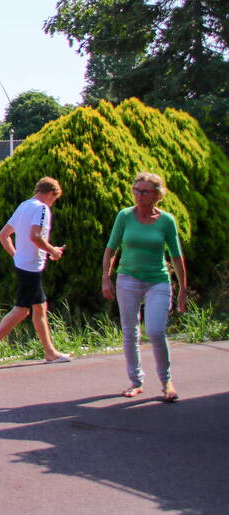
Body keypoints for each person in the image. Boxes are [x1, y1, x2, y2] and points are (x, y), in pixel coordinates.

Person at [101, 172, 187, 402]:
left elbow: (176, 256)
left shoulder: (167, 221)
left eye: (144, 191)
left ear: (157, 195)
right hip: (127, 279)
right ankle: (136, 381)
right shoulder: (125, 216)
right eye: (135, 190)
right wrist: (105, 278)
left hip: (157, 280)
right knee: (130, 332)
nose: (138, 195)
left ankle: (166, 381)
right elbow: (110, 249)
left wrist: (183, 289)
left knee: (156, 331)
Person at [0, 177, 71, 369]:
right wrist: (53, 251)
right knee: (21, 310)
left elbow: (3, 235)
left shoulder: (24, 206)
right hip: (32, 267)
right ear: (50, 193)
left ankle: (50, 351)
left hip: (25, 265)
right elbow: (35, 236)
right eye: (54, 199)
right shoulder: (42, 208)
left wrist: (16, 256)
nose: (53, 203)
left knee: (39, 308)